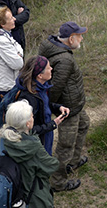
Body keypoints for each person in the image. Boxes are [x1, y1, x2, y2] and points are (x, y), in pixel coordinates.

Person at [38, 21, 89, 192]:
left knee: (84, 124)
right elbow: (55, 88)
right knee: (65, 147)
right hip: (68, 108)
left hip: (75, 105)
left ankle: (73, 163)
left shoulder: (54, 47)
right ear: (71, 38)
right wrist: (53, 109)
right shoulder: (65, 59)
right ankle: (58, 182)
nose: (81, 39)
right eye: (80, 36)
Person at [0, 6, 25, 159]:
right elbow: (17, 63)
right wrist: (18, 54)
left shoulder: (1, 34)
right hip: (3, 86)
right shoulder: (0, 40)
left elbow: (18, 49)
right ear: (2, 24)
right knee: (1, 121)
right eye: (10, 19)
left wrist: (18, 52)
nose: (14, 19)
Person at [9, 55, 69, 155]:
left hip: (45, 136)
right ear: (39, 76)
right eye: (48, 68)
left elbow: (43, 105)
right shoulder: (28, 98)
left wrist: (58, 107)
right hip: (36, 143)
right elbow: (27, 129)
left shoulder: (42, 87)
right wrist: (53, 124)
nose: (51, 69)